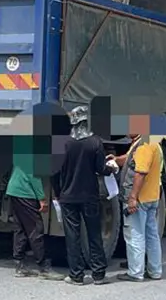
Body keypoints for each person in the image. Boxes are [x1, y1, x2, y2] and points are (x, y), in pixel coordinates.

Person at [51, 104, 117, 285]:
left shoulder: (62, 143)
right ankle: (98, 274)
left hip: (68, 197)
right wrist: (110, 169)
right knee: (94, 234)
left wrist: (58, 193)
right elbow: (101, 169)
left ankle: (77, 275)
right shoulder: (95, 142)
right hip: (90, 197)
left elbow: (54, 173)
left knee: (72, 236)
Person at [114, 123, 165, 282]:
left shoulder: (143, 146)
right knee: (152, 235)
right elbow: (130, 159)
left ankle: (135, 272)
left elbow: (140, 172)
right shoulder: (151, 142)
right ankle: (155, 270)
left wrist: (132, 197)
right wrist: (116, 159)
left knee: (134, 234)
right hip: (152, 198)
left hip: (140, 199)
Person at [7, 133, 52, 278]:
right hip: (25, 193)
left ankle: (19, 264)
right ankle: (43, 267)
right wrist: (42, 199)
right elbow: (34, 178)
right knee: (35, 229)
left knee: (20, 228)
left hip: (14, 191)